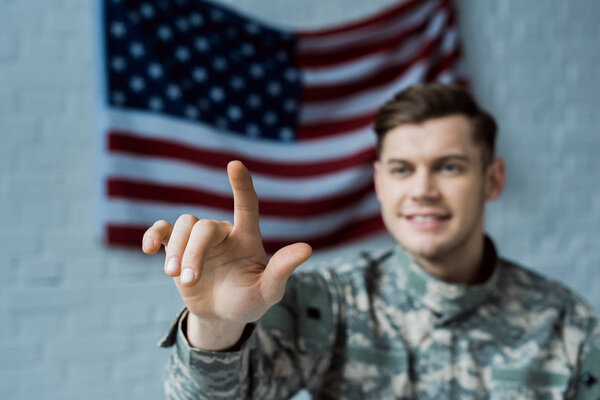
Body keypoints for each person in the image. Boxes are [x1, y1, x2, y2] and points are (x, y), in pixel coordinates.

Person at [142, 83, 600, 399]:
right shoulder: (329, 304)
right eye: (402, 169)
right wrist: (217, 328)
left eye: (450, 166)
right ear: (380, 183)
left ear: (493, 179)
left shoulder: (567, 326)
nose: (422, 189)